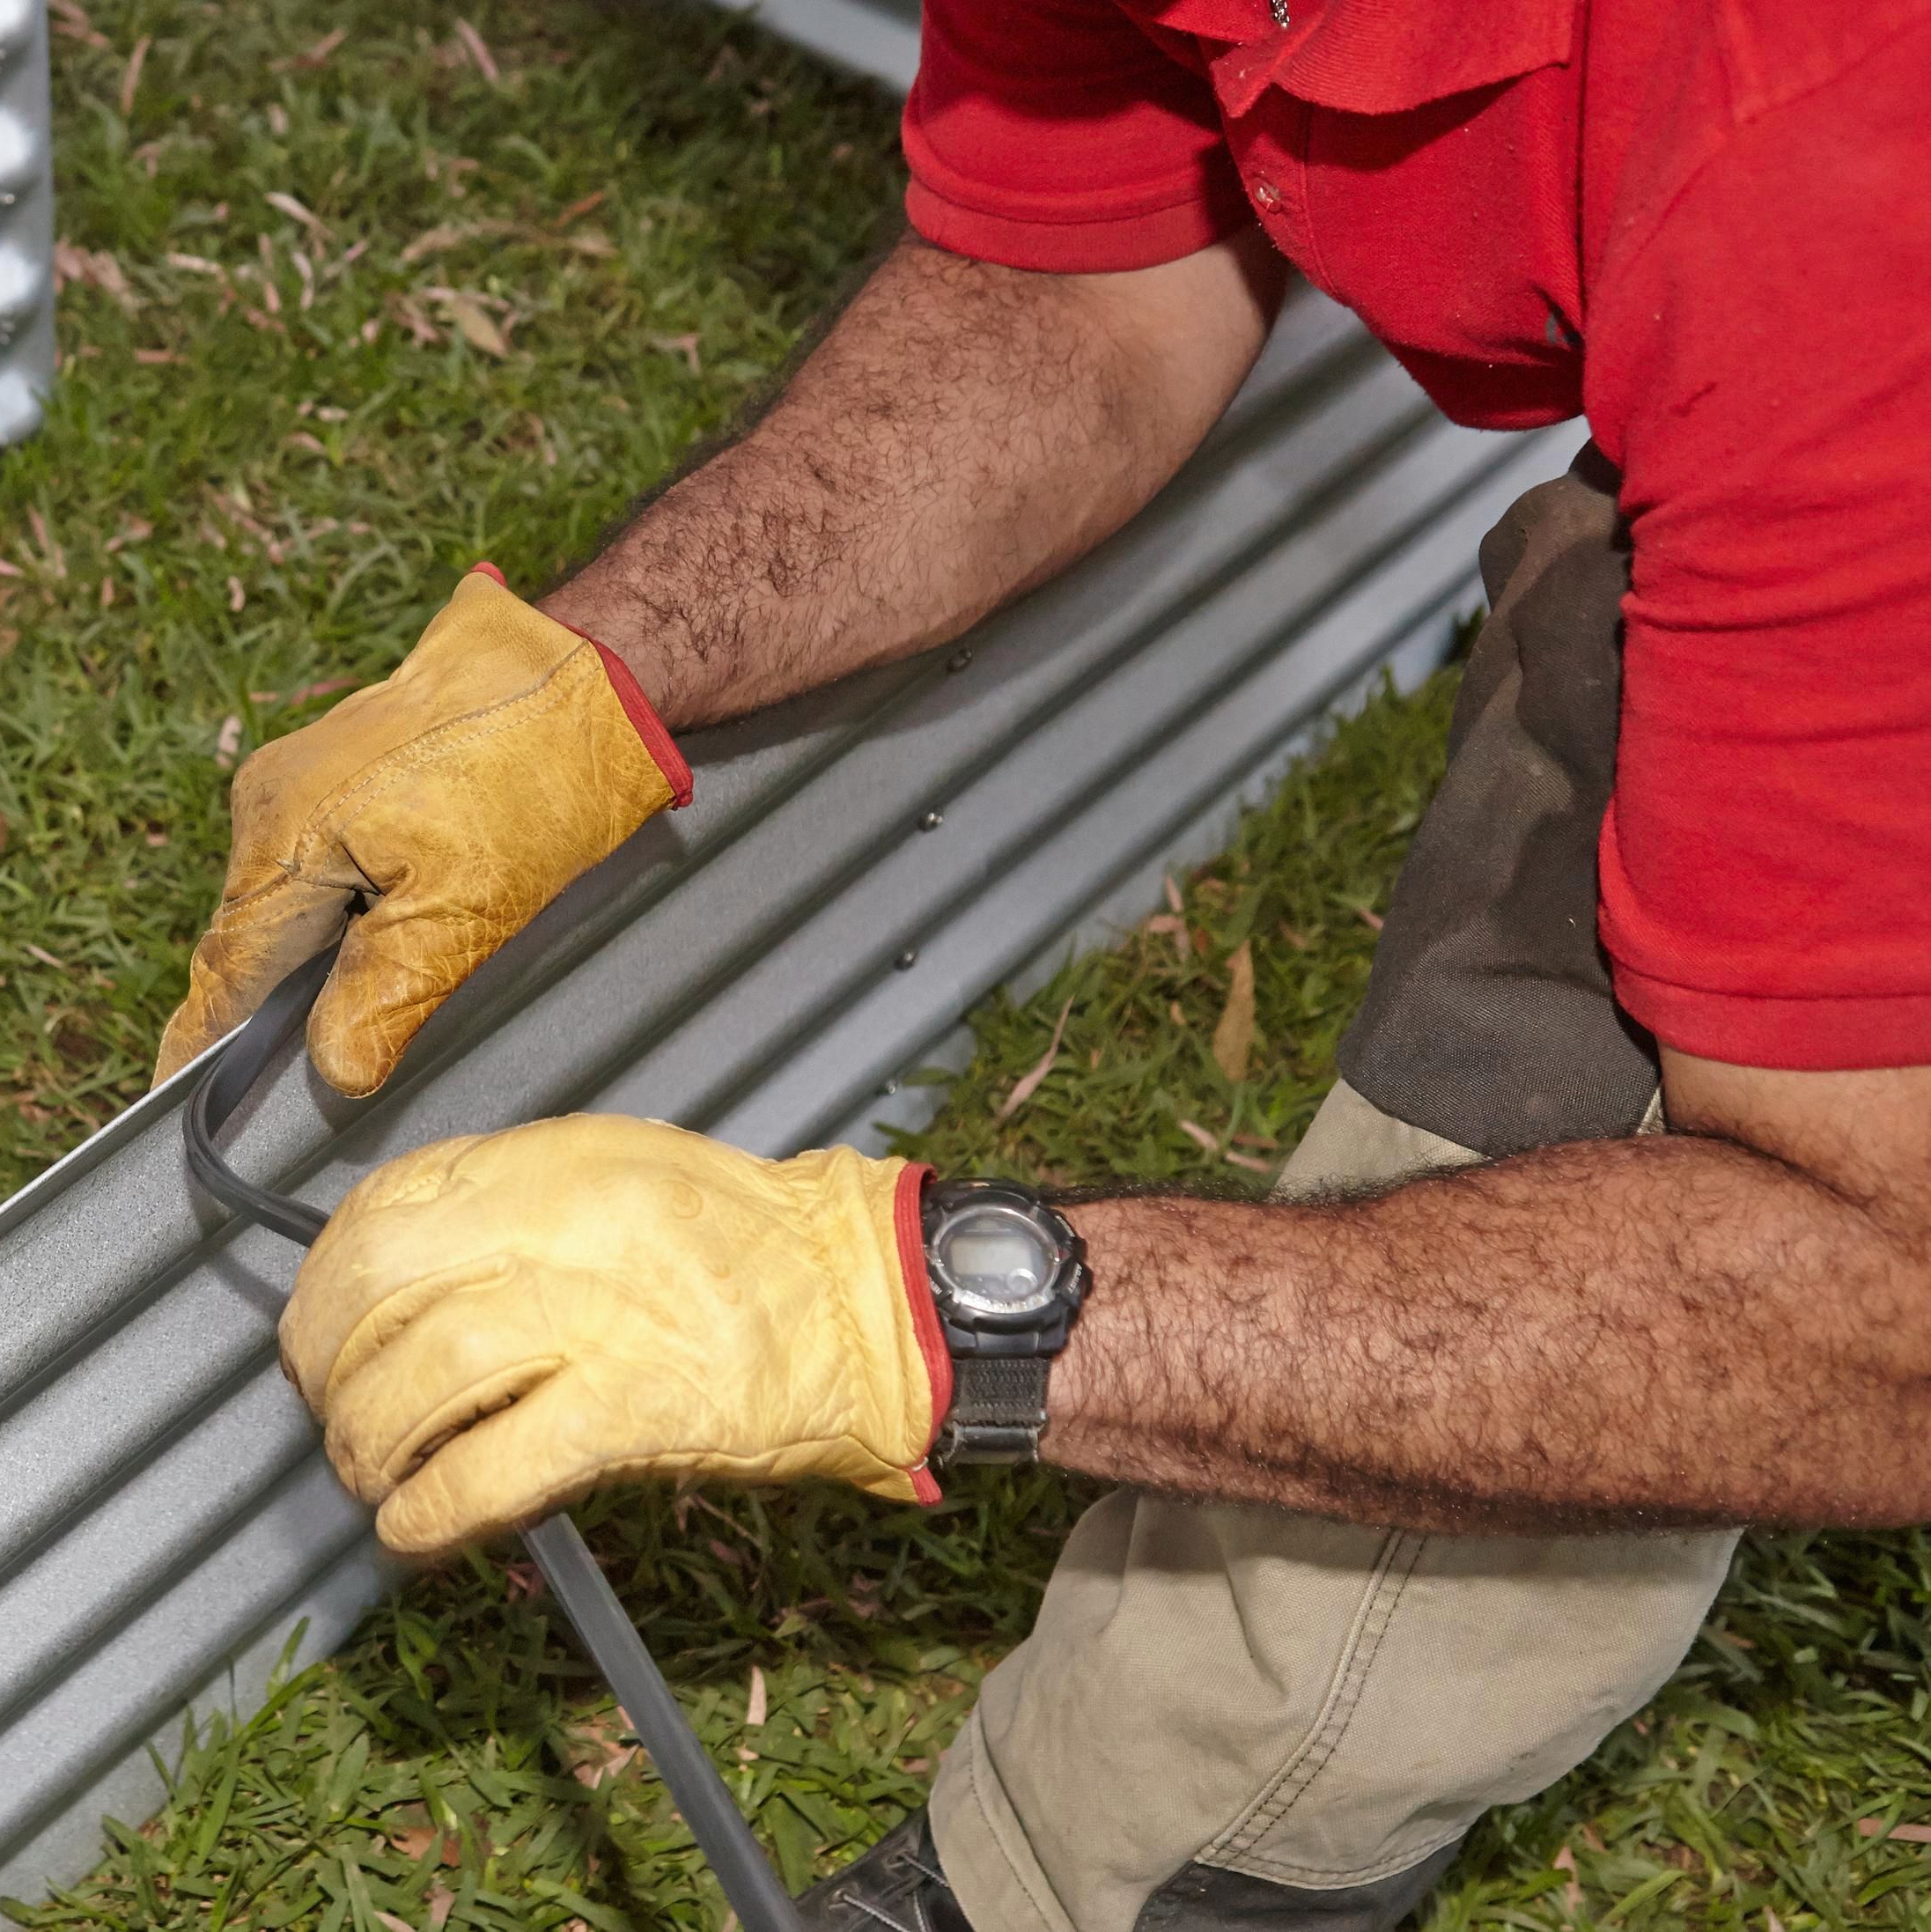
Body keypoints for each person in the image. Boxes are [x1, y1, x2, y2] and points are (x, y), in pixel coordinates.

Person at [151, 2, 1931, 1928]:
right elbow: (1082, 286)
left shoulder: (1829, 144)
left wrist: (946, 1304)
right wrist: (592, 674)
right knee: (1617, 718)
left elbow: (1891, 1312)